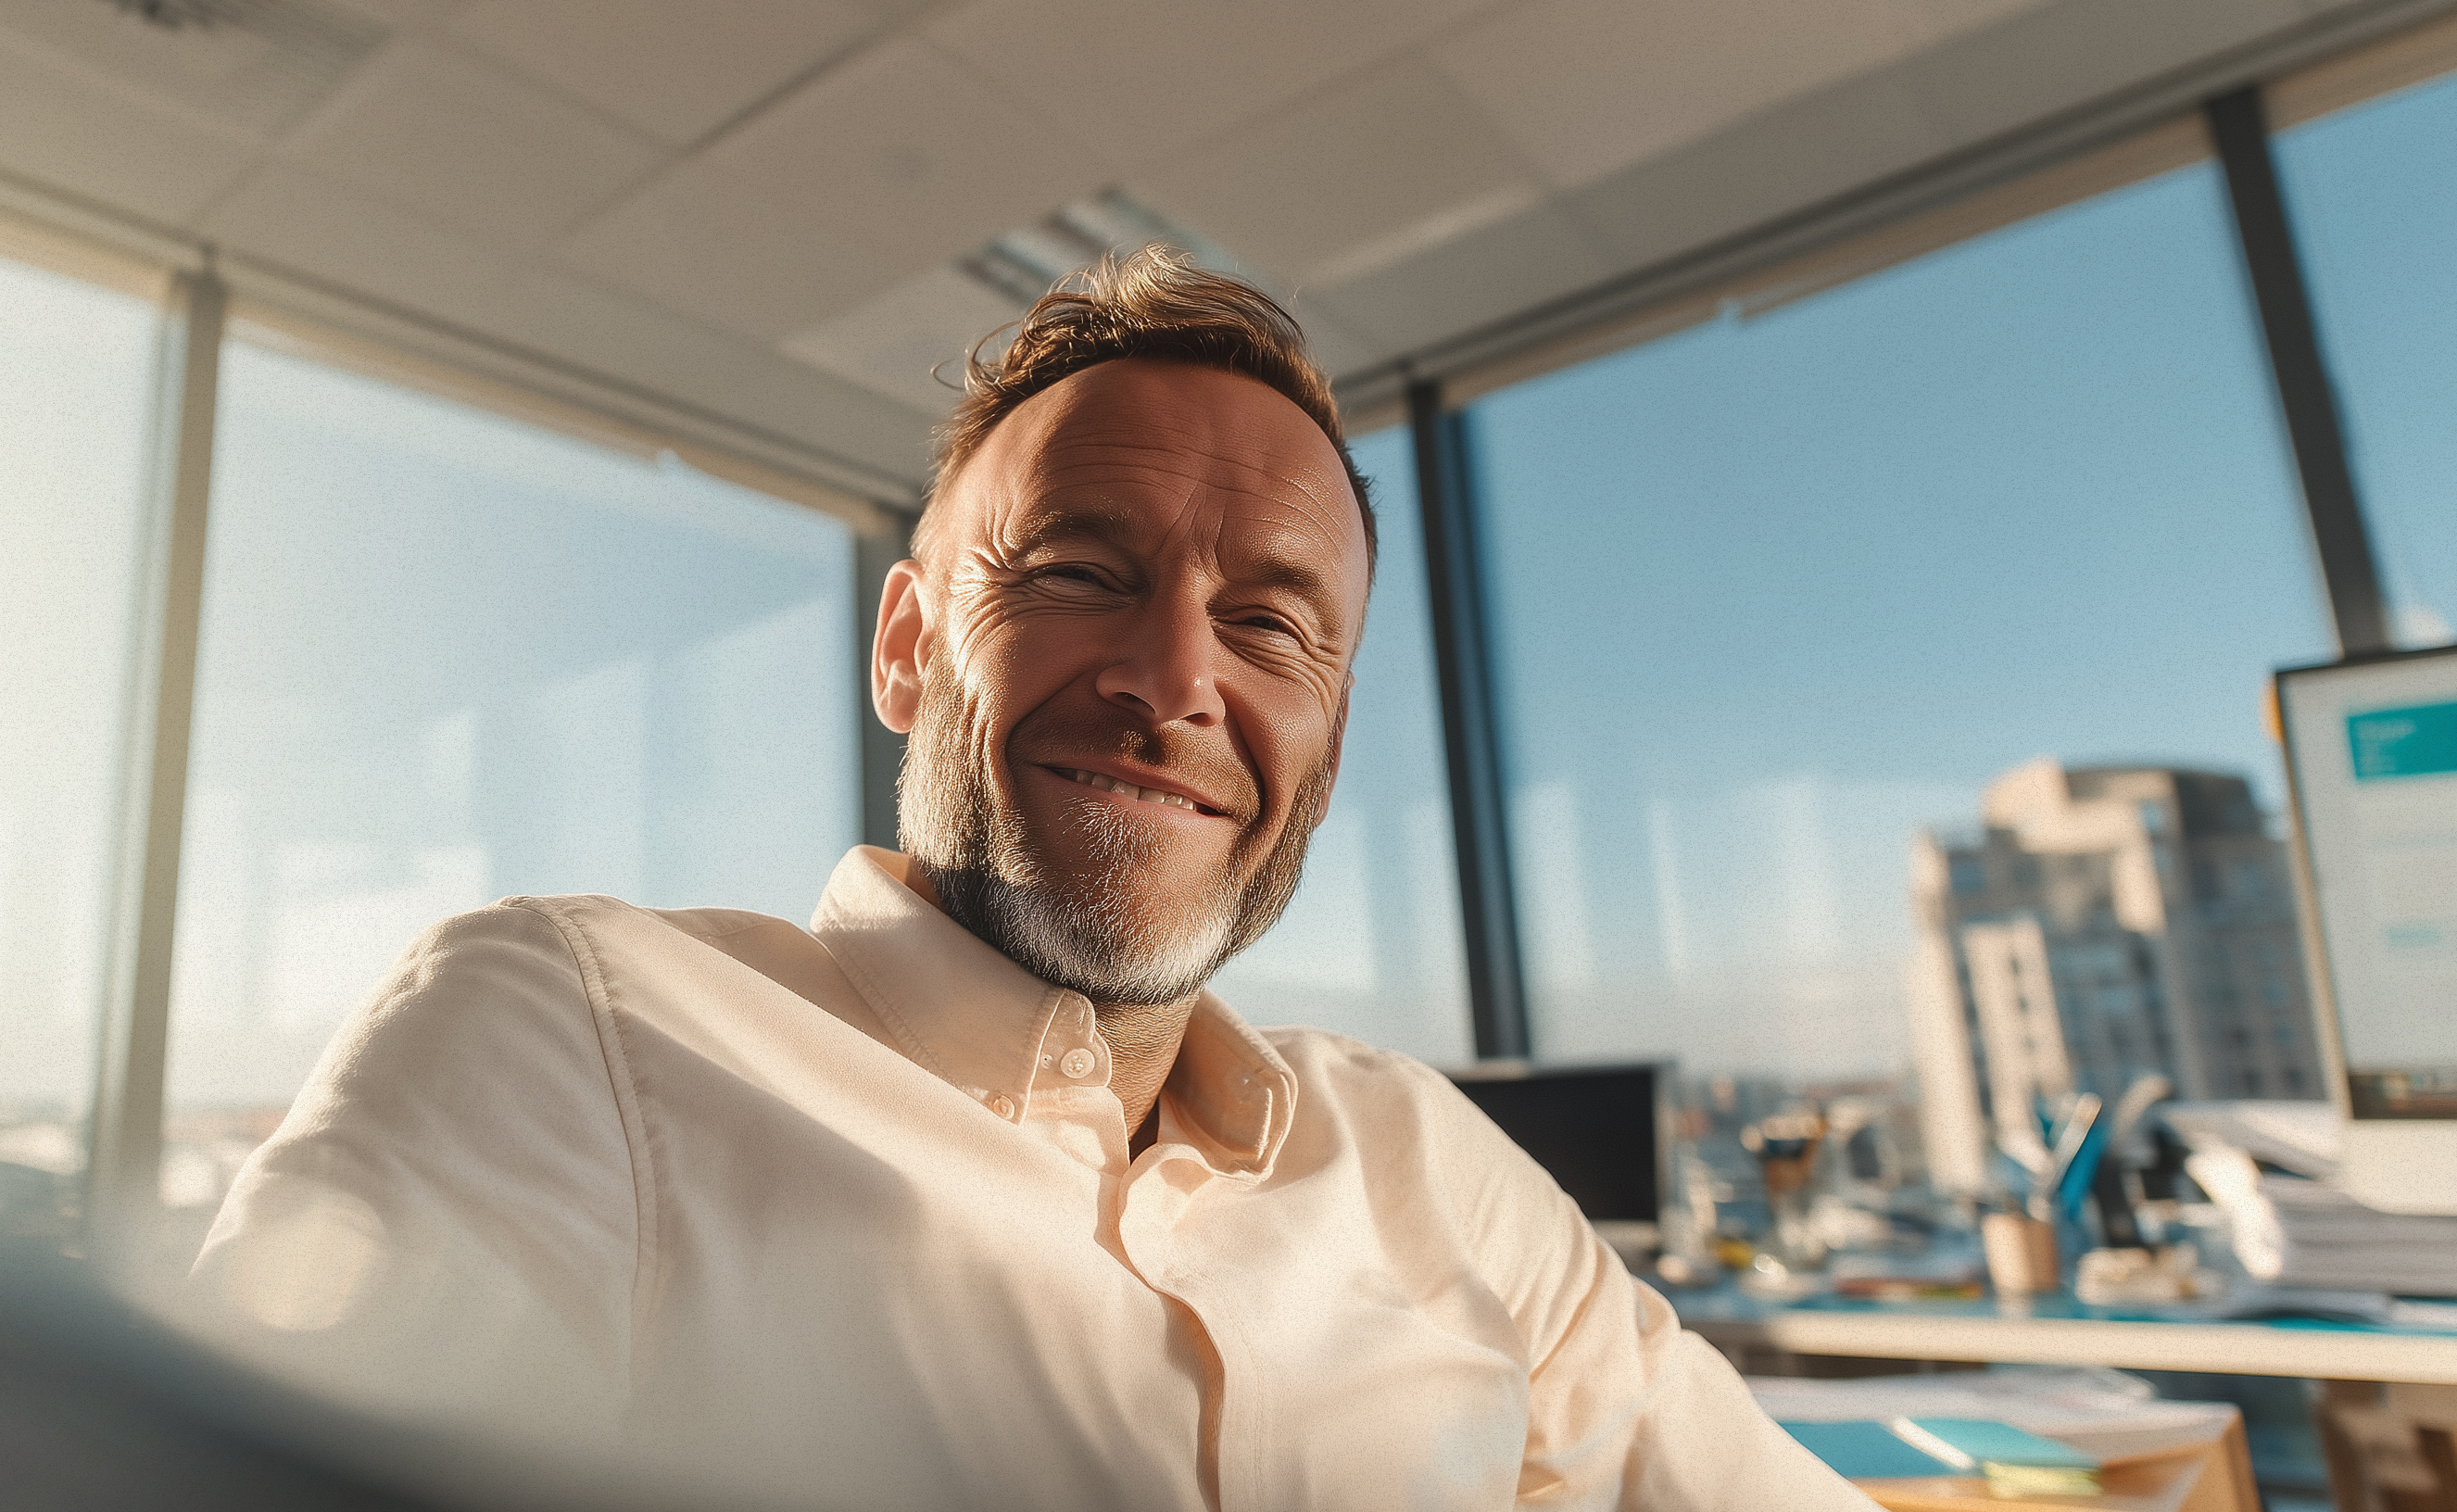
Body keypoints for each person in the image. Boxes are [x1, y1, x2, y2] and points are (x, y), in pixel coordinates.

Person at [189, 246, 1870, 1511]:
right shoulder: (575, 1030)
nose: (1175, 677)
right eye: (1079, 569)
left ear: (1332, 732)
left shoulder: (1430, 1163)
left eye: (1273, 623)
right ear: (912, 647)